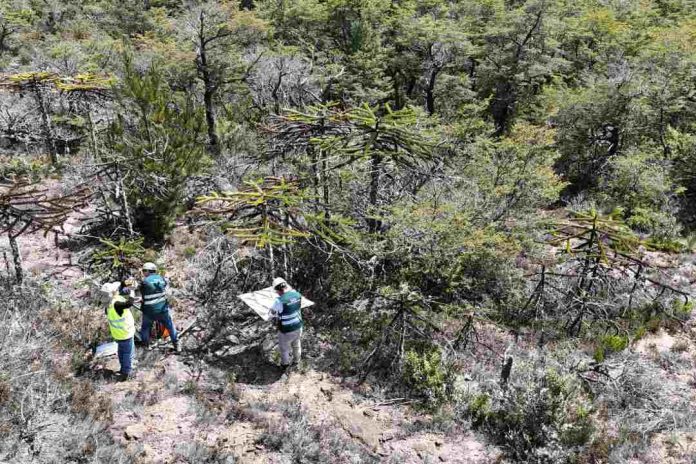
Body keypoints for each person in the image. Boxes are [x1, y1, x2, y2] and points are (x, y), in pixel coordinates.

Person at [138, 262, 179, 353]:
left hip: (149, 311)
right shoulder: (162, 279)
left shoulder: (144, 281)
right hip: (162, 309)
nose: (143, 273)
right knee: (170, 326)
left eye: (144, 270)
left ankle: (146, 346)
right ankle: (176, 345)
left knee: (145, 328)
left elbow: (143, 294)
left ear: (148, 271)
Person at [268, 277, 303, 369]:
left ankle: (285, 365)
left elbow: (272, 314)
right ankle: (297, 361)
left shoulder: (278, 301)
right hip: (298, 326)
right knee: (296, 344)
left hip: (286, 330)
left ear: (277, 290)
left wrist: (271, 312)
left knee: (284, 349)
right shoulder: (297, 294)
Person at [105, 282, 136, 381]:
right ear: (114, 292)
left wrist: (125, 288)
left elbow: (120, 295)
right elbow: (129, 303)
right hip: (125, 332)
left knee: (121, 352)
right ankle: (127, 373)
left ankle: (123, 369)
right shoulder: (117, 304)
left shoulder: (108, 304)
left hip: (117, 334)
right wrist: (132, 291)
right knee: (128, 353)